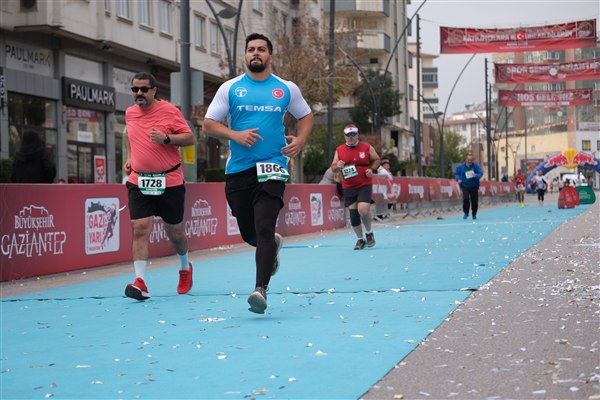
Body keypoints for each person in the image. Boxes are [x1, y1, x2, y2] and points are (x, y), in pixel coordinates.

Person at [203, 33, 314, 314]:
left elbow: (306, 115)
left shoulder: (286, 88)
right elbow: (208, 124)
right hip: (239, 169)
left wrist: (301, 140)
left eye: (261, 49)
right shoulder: (231, 88)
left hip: (273, 166)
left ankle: (260, 290)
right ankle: (271, 247)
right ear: (245, 55)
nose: (256, 53)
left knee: (264, 225)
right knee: (250, 233)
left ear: (269, 56)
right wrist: (235, 135)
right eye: (251, 49)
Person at [123, 72, 196, 301]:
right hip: (139, 180)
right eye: (135, 89)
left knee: (174, 232)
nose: (139, 93)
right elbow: (130, 135)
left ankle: (184, 267)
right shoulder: (130, 113)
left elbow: (190, 138)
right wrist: (130, 157)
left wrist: (166, 138)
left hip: (169, 180)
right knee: (140, 228)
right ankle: (140, 281)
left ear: (154, 90)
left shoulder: (169, 111)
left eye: (144, 89)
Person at [331, 123, 381, 249]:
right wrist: (337, 167)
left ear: (357, 134)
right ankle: (360, 239)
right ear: (344, 136)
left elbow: (377, 159)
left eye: (353, 134)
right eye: (348, 135)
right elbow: (333, 168)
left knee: (363, 209)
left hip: (364, 183)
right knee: (353, 213)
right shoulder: (339, 150)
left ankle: (369, 233)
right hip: (348, 185)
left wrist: (372, 170)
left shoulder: (366, 147)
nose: (351, 137)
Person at [455, 153, 483, 220]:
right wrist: (458, 179)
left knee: (474, 201)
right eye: (468, 159)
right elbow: (457, 174)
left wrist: (476, 175)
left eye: (471, 160)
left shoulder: (475, 166)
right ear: (466, 159)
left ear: (472, 160)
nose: (469, 161)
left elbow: (481, 172)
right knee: (466, 198)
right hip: (465, 186)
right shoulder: (461, 166)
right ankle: (466, 213)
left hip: (474, 186)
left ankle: (474, 214)